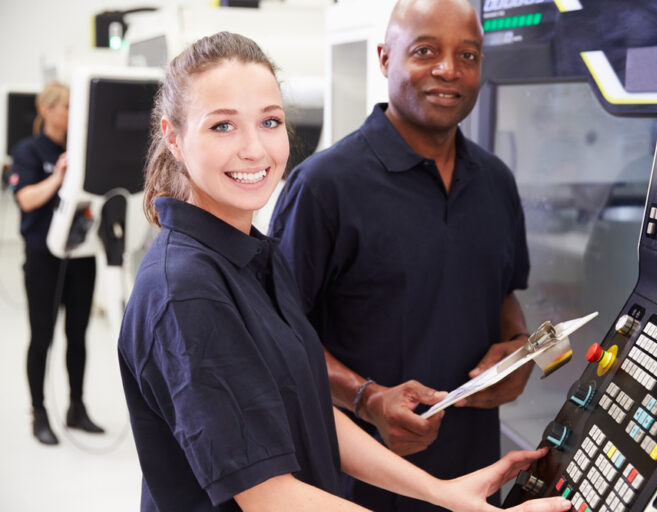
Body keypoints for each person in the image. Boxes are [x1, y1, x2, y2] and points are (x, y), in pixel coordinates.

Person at [117, 31, 571, 512]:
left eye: (270, 122)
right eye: (222, 127)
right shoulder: (186, 290)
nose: (254, 149)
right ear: (173, 137)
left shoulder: (252, 257)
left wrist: (442, 493)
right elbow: (270, 496)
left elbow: (309, 411)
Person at [269, 0, 534, 509]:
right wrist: (367, 399)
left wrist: (520, 349)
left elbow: (501, 295)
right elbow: (279, 340)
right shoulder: (325, 187)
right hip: (360, 484)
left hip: (477, 479)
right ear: (385, 58)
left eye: (468, 55)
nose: (448, 70)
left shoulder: (496, 182)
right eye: (425, 51)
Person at [8, 81, 105, 446]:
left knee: (77, 336)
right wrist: (59, 177)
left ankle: (76, 408)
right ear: (47, 110)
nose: (70, 113)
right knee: (42, 336)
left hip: (80, 254)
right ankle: (40, 411)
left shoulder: (81, 148)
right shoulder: (30, 150)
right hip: (43, 259)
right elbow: (27, 199)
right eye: (64, 106)